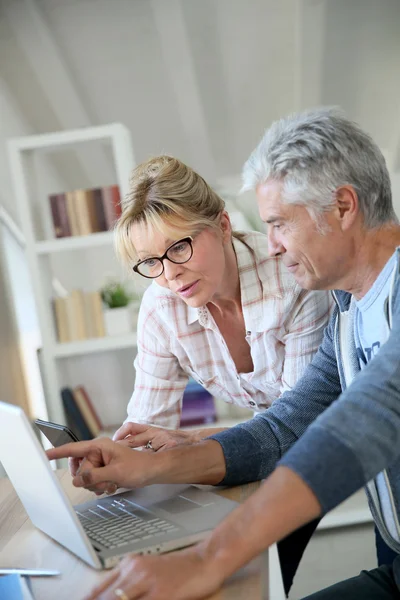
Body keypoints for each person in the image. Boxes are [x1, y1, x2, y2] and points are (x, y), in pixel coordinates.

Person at [47, 106, 400, 600]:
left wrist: (207, 558)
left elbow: (353, 425)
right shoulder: (348, 308)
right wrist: (145, 462)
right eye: (151, 261)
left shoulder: (323, 291)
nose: (272, 244)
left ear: (343, 207)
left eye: (278, 223)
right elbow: (286, 426)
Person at [108, 155, 332, 594]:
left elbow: (297, 427)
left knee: (251, 571)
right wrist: (121, 458)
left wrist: (195, 444)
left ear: (223, 225)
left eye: (179, 246)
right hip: (264, 442)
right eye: (150, 261)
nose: (170, 274)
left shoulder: (293, 280)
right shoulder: (160, 307)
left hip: (319, 447)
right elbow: (147, 424)